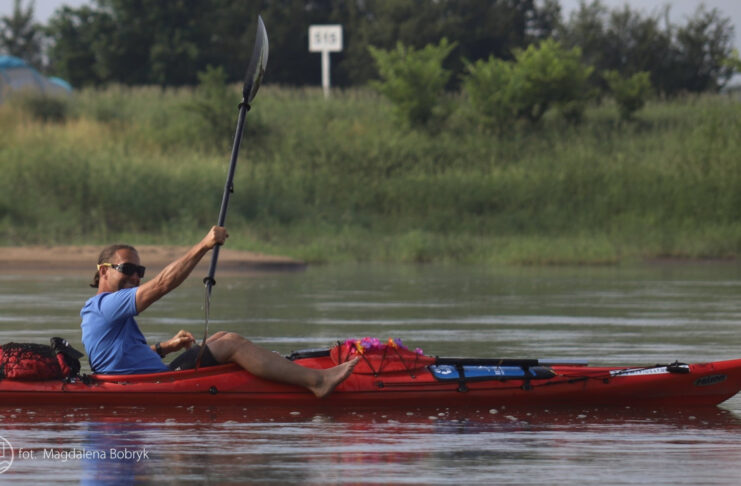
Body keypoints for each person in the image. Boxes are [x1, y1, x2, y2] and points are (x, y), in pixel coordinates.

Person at [80, 226, 357, 398]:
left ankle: (284, 371)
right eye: (127, 269)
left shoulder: (100, 311)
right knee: (230, 343)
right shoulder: (106, 305)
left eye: (139, 272)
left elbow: (119, 357)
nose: (135, 277)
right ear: (103, 271)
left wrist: (165, 347)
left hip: (149, 374)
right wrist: (204, 245)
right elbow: (163, 284)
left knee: (221, 337)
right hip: (151, 384)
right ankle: (318, 381)